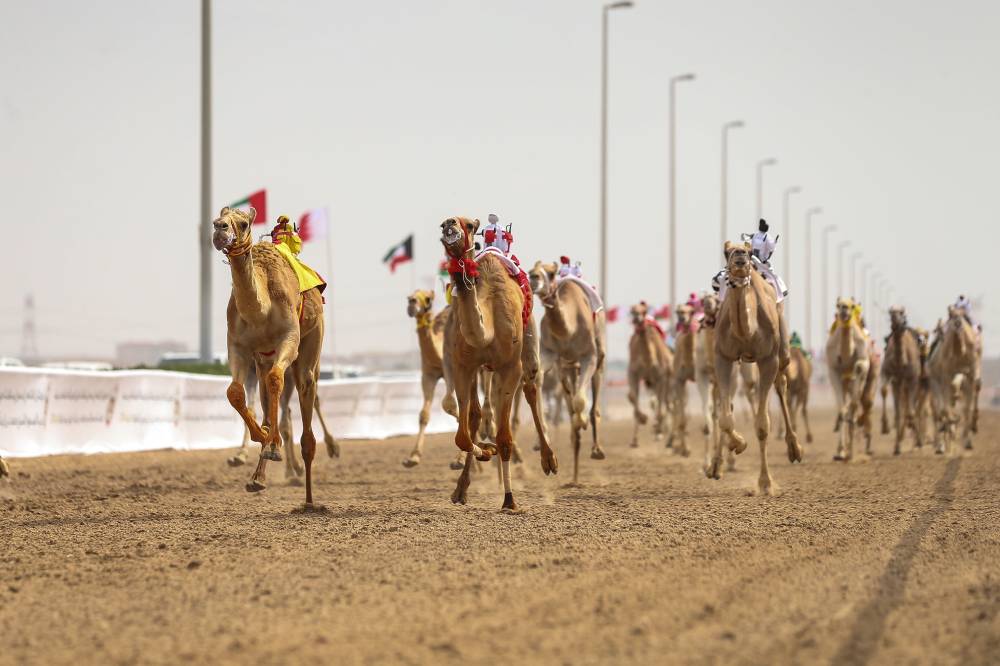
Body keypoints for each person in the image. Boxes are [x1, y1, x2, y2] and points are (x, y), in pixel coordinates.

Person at [712, 219, 787, 302]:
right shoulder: (756, 235)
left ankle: (779, 290)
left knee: (767, 272)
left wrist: (773, 244)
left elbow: (770, 247)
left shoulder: (767, 237)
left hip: (758, 258)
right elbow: (747, 240)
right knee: (727, 272)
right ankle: (722, 288)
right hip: (749, 255)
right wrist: (746, 241)